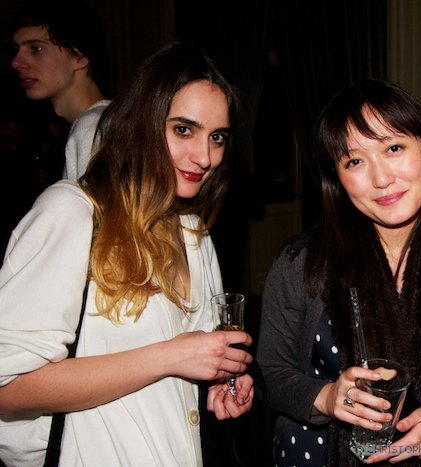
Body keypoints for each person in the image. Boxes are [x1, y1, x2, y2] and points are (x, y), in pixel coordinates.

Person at [0, 42, 255, 466]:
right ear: (142, 122)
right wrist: (170, 357)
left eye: (217, 137)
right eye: (183, 130)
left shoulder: (193, 232)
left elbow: (188, 359)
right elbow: (7, 387)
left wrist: (217, 378)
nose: (204, 157)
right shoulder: (72, 212)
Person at [257, 78, 421, 466]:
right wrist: (325, 397)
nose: (381, 179)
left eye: (394, 148)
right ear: (338, 179)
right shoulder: (303, 263)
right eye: (354, 161)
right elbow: (269, 372)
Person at [8, 0, 110, 181]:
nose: (16, 62)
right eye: (16, 49)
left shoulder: (93, 128)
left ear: (79, 56)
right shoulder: (100, 122)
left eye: (36, 49)